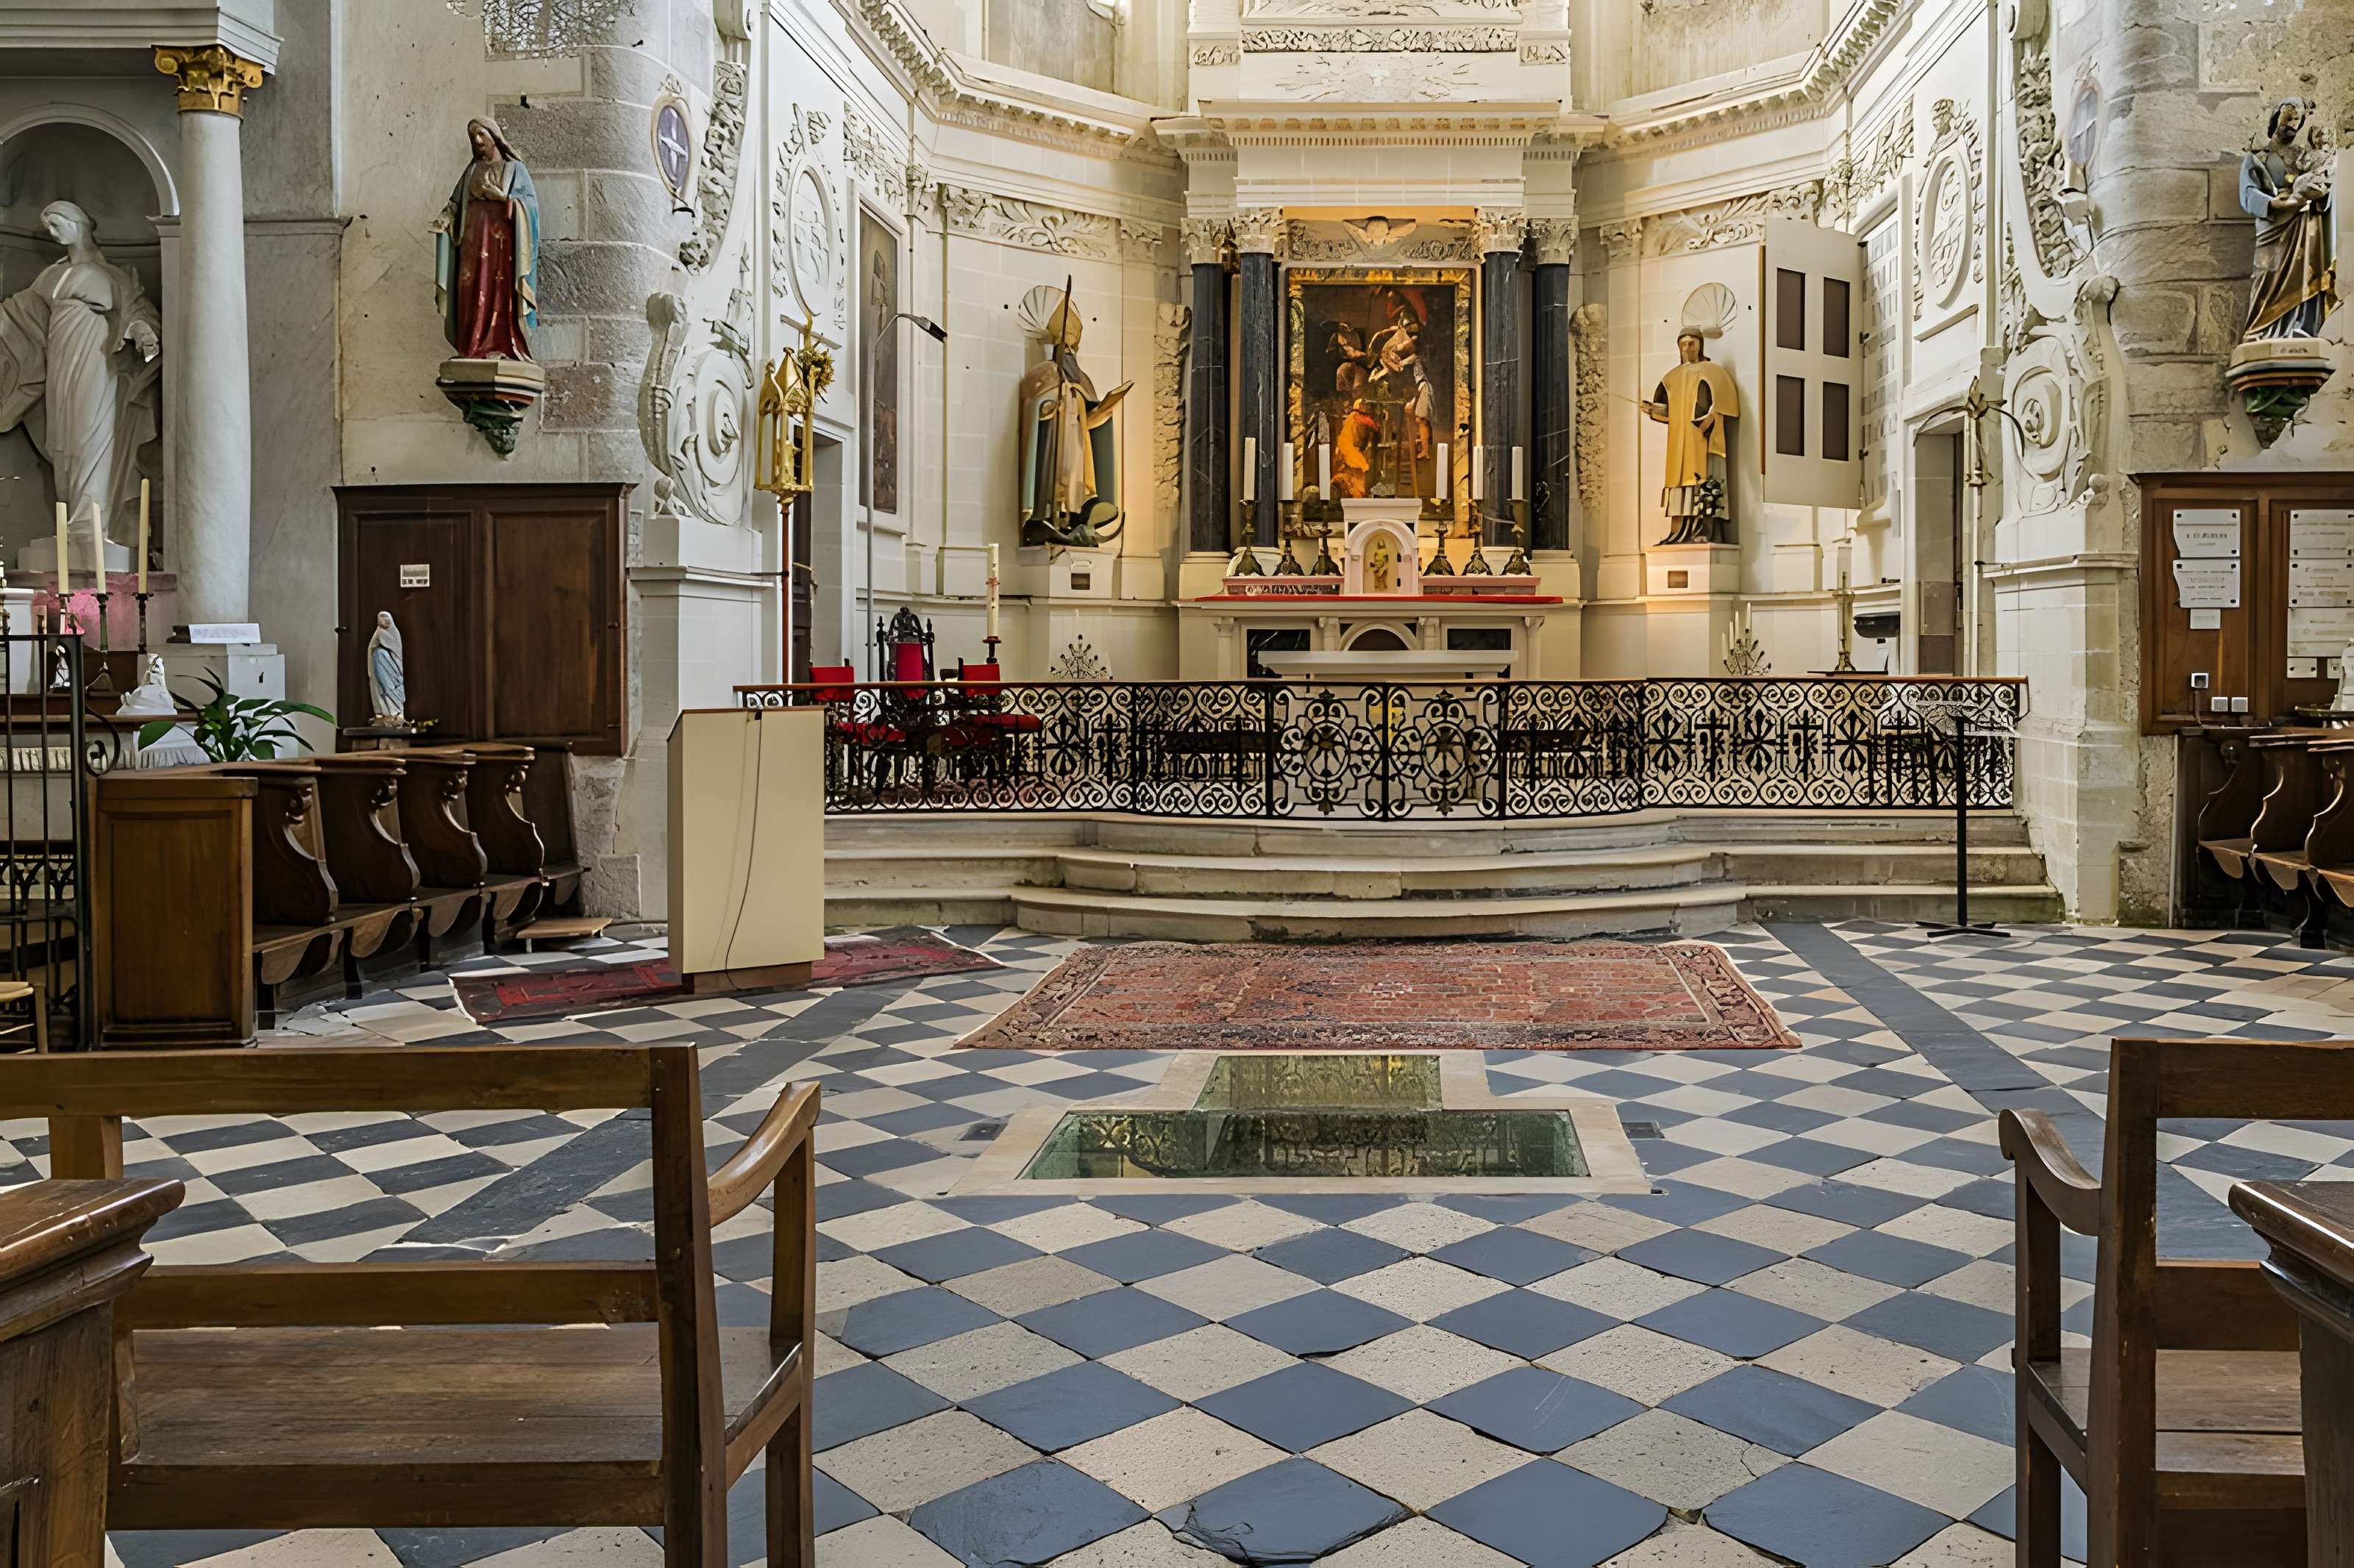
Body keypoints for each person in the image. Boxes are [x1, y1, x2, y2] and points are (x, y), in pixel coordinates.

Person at [0, 200, 162, 544]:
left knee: (91, 434)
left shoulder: (113, 273)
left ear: (80, 225)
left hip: (97, 362)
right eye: (48, 228)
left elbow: (135, 309)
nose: (52, 233)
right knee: (63, 440)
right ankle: (73, 520)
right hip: (59, 366)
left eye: (57, 224)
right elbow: (19, 317)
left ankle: (93, 524)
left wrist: (141, 330)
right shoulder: (50, 276)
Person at [433, 117, 541, 362]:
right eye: (474, 137)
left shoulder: (515, 170)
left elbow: (530, 208)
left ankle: (503, 346)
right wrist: (444, 220)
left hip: (503, 249)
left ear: (494, 137)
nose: (478, 141)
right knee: (471, 290)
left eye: (481, 134)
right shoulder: (471, 171)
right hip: (472, 244)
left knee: (500, 292)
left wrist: (504, 199)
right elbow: (455, 204)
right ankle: (472, 346)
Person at [2240, 98, 2338, 342]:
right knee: (2266, 275)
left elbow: (2324, 190)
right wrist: (2273, 203)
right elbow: (2248, 192)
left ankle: (2302, 328)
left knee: (2306, 273)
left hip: (2304, 223)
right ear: (2276, 119)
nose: (2292, 124)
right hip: (2273, 223)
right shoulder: (2258, 156)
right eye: (2287, 118)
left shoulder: (2306, 155)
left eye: (2297, 120)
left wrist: (2318, 194)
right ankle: (2259, 330)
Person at [1642, 331, 1740, 545]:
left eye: (1692, 343)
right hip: (1679, 442)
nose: (1687, 349)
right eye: (1683, 344)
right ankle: (1679, 531)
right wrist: (1651, 409)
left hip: (1702, 439)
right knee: (1679, 481)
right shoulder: (1672, 377)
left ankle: (1703, 528)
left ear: (1700, 345)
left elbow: (1723, 404)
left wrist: (1707, 420)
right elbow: (1667, 411)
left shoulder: (1714, 372)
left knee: (1704, 478)